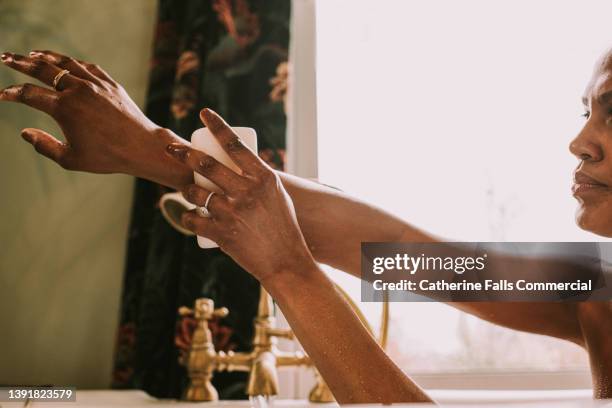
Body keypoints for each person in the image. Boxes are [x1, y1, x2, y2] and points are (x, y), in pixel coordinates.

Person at [0, 48, 610, 404]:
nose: (578, 143)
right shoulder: (596, 282)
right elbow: (395, 250)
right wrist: (149, 150)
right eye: (587, 112)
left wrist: (289, 271)